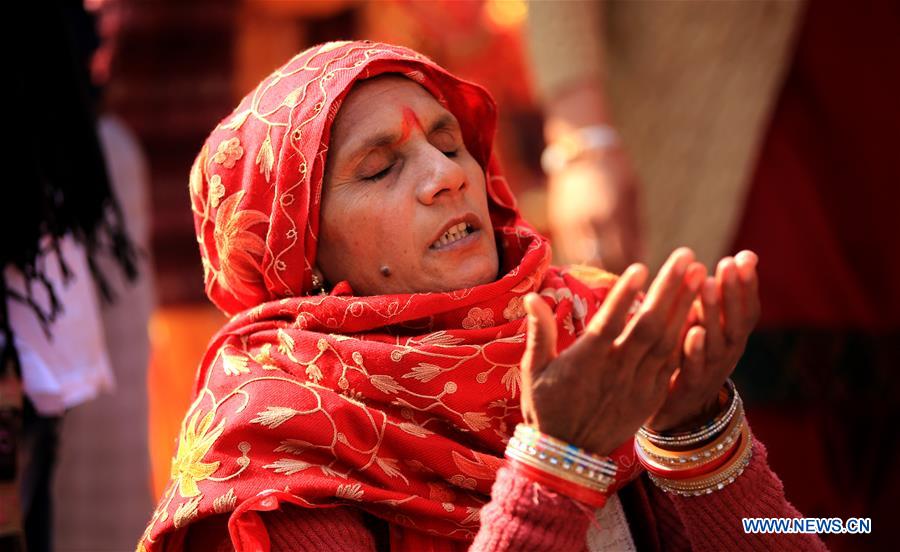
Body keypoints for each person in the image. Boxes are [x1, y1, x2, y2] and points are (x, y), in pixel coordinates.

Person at [139, 41, 824, 551]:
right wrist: (559, 463)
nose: (447, 176)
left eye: (451, 142)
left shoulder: (590, 325)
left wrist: (696, 432)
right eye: (379, 168)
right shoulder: (279, 441)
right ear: (298, 251)